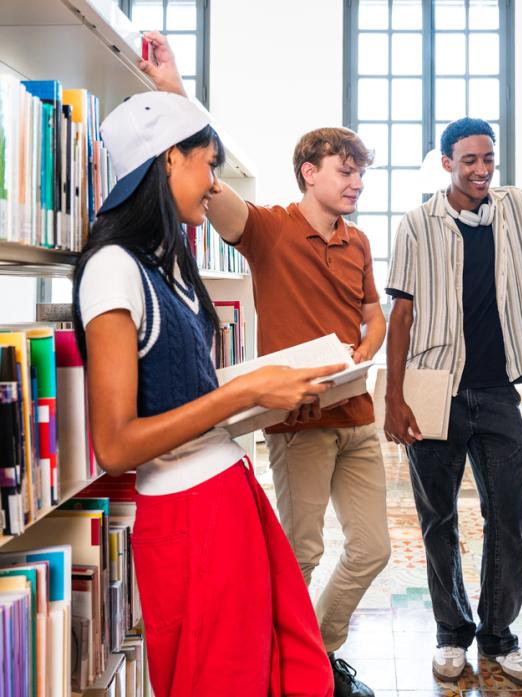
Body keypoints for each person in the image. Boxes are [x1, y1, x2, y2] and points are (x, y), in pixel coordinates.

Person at [139, 33, 390, 697]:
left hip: (358, 412)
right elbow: (211, 189)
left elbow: (374, 311)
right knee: (299, 553)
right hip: (299, 421)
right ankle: (300, 668)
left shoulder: (360, 240)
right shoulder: (268, 229)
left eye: (362, 173)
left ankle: (317, 652)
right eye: (347, 170)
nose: (358, 182)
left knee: (372, 549)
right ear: (310, 171)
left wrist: (369, 346)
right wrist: (174, 92)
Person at [74, 91, 341, 697]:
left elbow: (184, 398)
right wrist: (243, 390)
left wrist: (265, 395)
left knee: (280, 666)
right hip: (191, 517)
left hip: (226, 492)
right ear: (171, 161)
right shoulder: (113, 268)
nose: (211, 181)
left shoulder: (164, 265)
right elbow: (116, 446)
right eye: (208, 164)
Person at [383, 117, 522, 687]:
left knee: (507, 519)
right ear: (446, 164)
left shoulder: (513, 206)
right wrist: (393, 397)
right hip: (435, 389)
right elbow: (401, 315)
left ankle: (501, 636)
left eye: (488, 160)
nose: (481, 171)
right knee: (438, 521)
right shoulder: (416, 224)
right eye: (469, 162)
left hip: (499, 392)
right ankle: (450, 634)